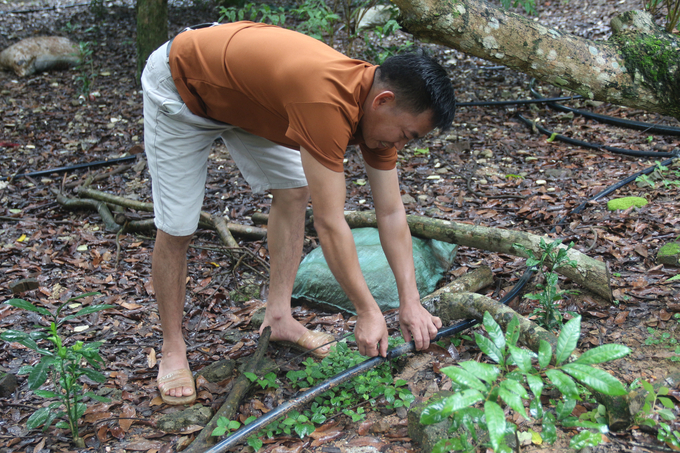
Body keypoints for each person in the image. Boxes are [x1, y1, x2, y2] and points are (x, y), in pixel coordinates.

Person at [141, 21, 456, 405]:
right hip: (183, 86)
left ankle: (279, 318)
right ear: (383, 100)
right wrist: (367, 310)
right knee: (178, 227)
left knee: (294, 190)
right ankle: (173, 347)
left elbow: (390, 213)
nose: (401, 145)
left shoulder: (380, 115)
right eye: (406, 135)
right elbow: (329, 220)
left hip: (245, 98)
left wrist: (411, 301)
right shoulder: (326, 102)